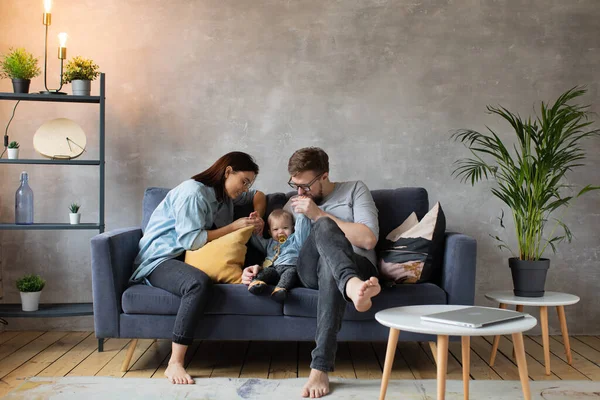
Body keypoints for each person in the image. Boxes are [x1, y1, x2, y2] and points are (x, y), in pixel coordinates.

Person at [242, 147, 381, 398]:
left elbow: (368, 240)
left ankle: (320, 367)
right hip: (310, 272)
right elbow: (283, 246)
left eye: (305, 186)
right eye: (294, 185)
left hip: (359, 265)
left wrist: (319, 214)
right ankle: (351, 286)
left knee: (327, 240)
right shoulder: (293, 204)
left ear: (324, 177)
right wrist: (260, 265)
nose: (299, 192)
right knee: (324, 235)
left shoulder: (355, 190)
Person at [130, 151, 266, 385]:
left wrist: (258, 218)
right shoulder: (193, 193)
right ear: (227, 171)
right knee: (197, 284)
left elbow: (259, 195)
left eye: (248, 183)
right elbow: (191, 241)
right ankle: (174, 363)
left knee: (258, 252)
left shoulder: (225, 195)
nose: (245, 189)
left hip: (187, 258)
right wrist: (233, 226)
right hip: (161, 260)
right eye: (243, 181)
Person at [247, 208, 311, 302]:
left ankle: (280, 289)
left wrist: (302, 213)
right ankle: (257, 283)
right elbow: (257, 242)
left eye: (285, 228)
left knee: (291, 273)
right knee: (266, 271)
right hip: (274, 268)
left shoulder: (295, 240)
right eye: (276, 229)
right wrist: (254, 227)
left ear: (292, 228)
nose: (280, 232)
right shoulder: (269, 243)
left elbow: (303, 230)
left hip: (290, 267)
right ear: (270, 232)